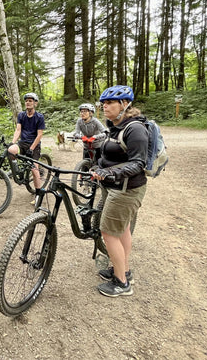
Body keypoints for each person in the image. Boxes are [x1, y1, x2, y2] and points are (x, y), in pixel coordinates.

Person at [91, 85, 148, 297]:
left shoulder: (135, 129)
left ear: (125, 105)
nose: (104, 106)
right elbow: (106, 154)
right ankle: (123, 269)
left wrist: (111, 174)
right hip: (113, 186)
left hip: (126, 189)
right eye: (103, 103)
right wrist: (97, 167)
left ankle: (122, 283)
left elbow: (138, 163)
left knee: (108, 232)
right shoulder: (114, 126)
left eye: (110, 103)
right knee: (121, 228)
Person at [8, 92, 46, 194]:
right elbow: (18, 130)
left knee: (34, 169)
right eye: (26, 101)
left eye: (30, 101)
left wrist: (31, 149)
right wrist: (12, 142)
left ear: (35, 103)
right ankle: (17, 172)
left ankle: (38, 193)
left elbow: (39, 135)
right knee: (11, 150)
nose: (28, 103)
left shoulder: (39, 117)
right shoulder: (21, 115)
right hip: (23, 143)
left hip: (34, 145)